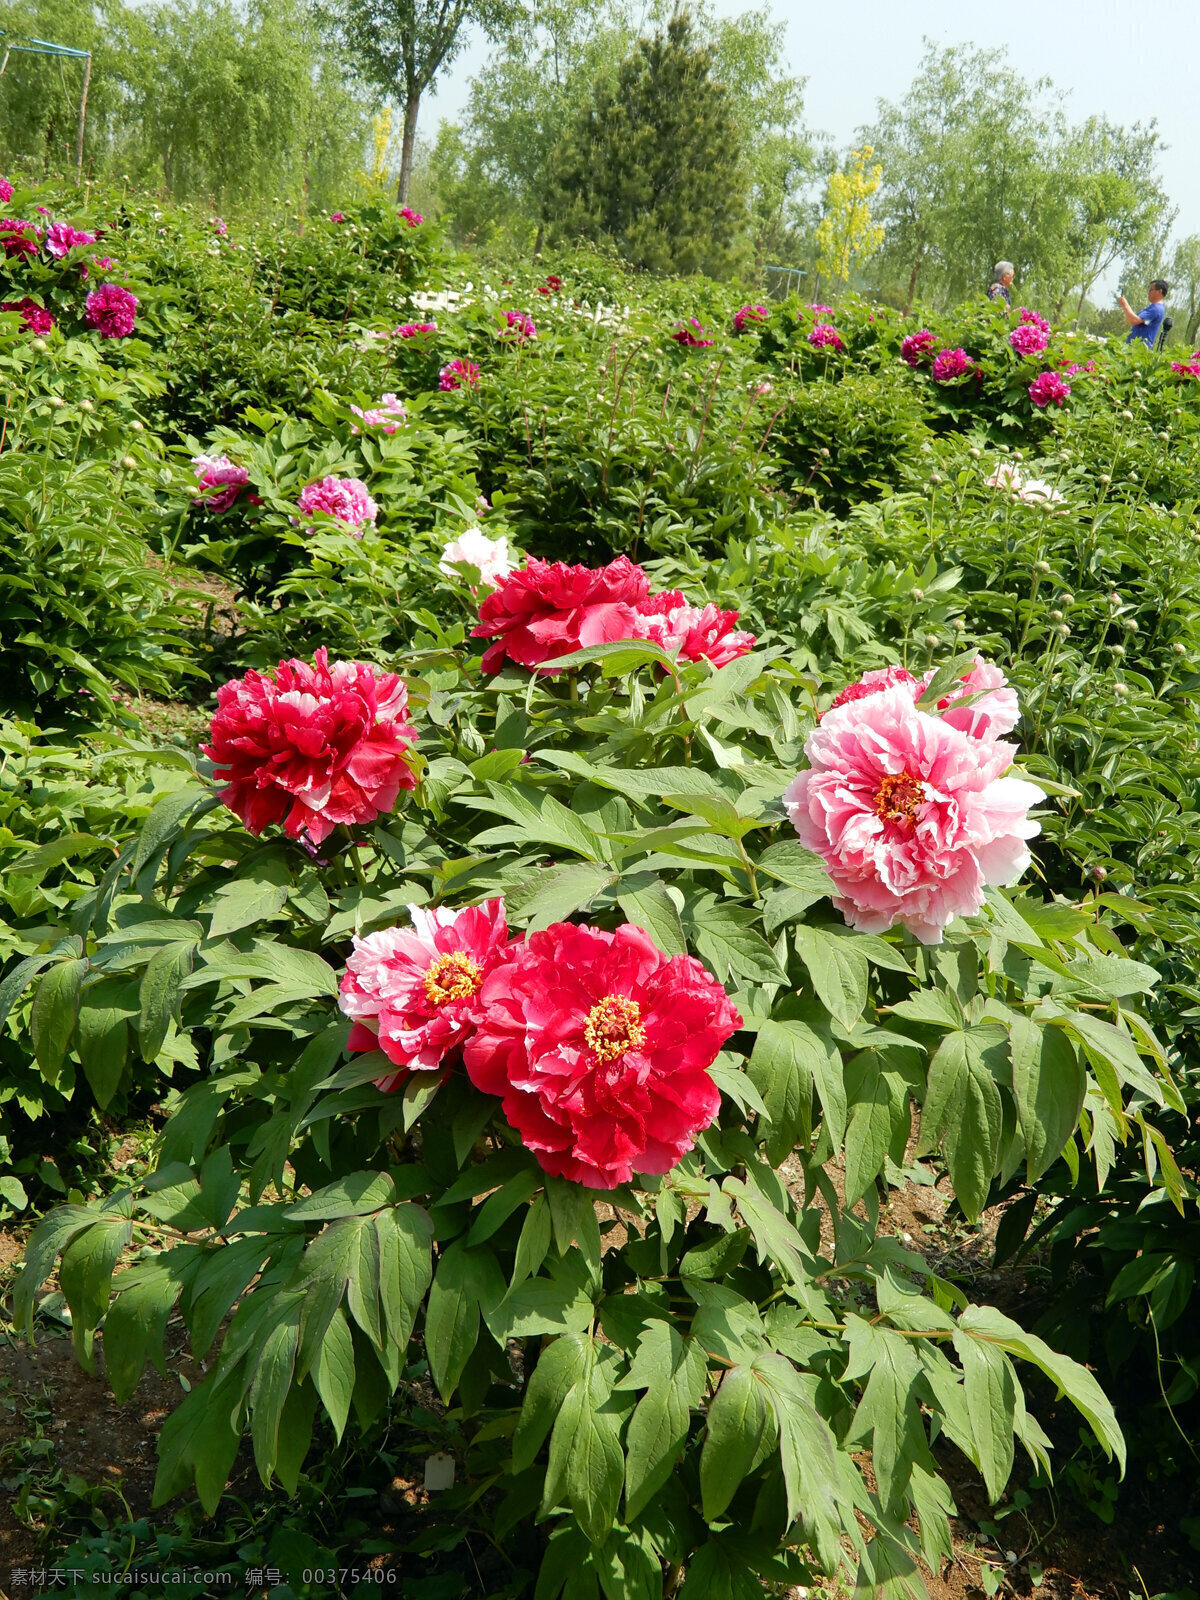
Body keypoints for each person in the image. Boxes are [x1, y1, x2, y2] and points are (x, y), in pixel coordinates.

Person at [1120, 279, 1168, 348]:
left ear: (1159, 291)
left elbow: (1133, 320)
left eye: (1151, 290)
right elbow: (1131, 319)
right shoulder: (1154, 307)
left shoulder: (1156, 309)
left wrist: (1125, 305)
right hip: (1135, 348)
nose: (1148, 292)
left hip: (1139, 349)